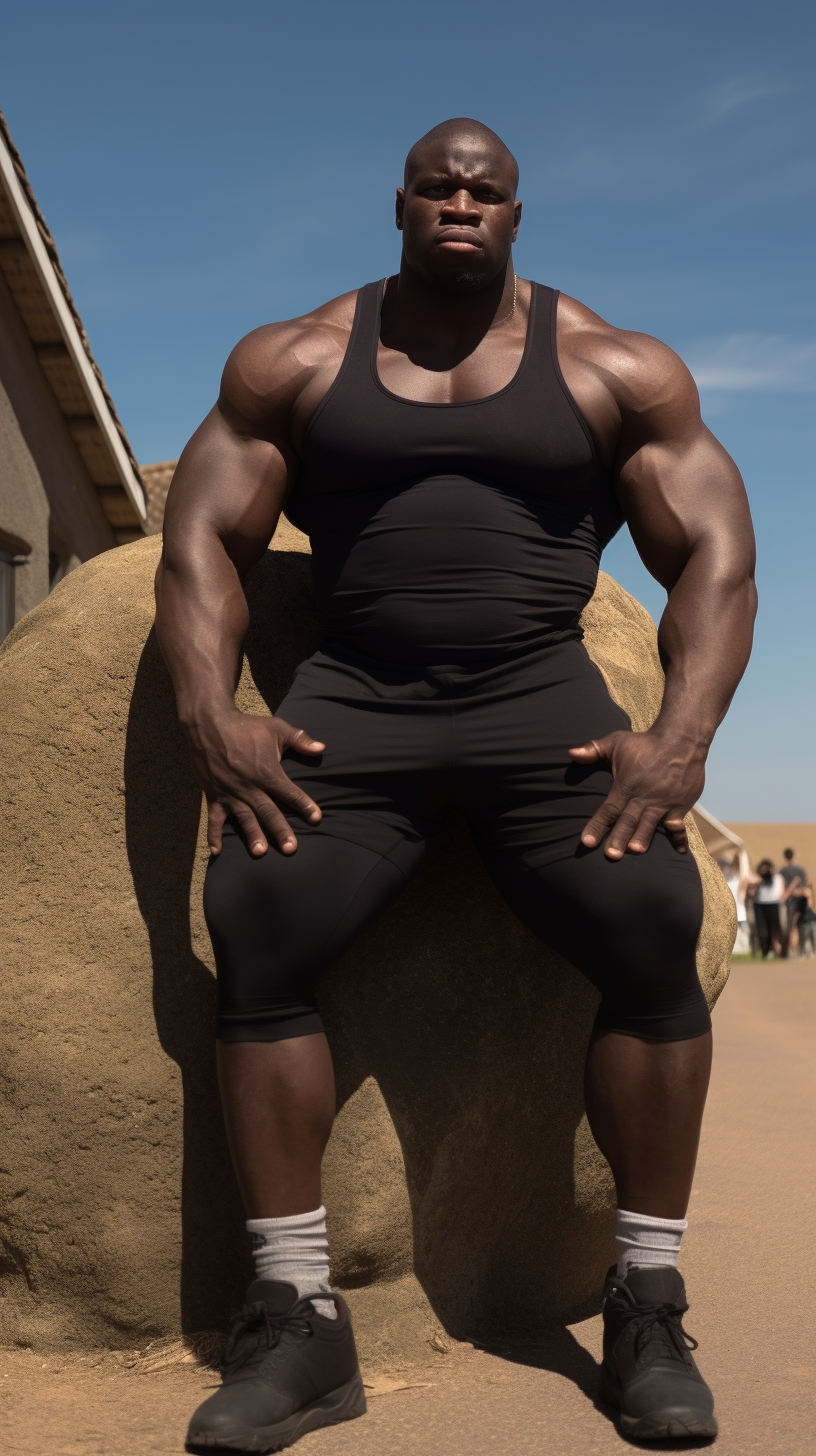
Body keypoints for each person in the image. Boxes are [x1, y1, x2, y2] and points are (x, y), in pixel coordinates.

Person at [154, 119, 757, 1449]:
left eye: (487, 190)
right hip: (357, 705)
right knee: (257, 916)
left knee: (655, 916)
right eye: (440, 187)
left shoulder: (612, 364)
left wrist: (682, 737)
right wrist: (213, 714)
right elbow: (202, 531)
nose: (463, 205)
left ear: (518, 216)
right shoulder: (297, 357)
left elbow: (716, 546)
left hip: (537, 702)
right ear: (402, 205)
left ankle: (646, 1300)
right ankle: (298, 1319)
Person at [749, 860, 786, 958]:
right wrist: (756, 883)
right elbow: (751, 893)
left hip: (774, 904)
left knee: (774, 929)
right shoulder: (757, 879)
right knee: (762, 931)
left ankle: (775, 950)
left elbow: (781, 891)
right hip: (760, 905)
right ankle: (764, 951)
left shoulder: (777, 878)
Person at [779, 846, 808, 954]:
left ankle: (792, 949)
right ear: (794, 856)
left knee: (791, 925)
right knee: (798, 925)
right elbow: (804, 887)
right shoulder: (800, 869)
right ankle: (800, 949)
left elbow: (781, 887)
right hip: (799, 900)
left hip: (789, 900)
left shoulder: (782, 870)